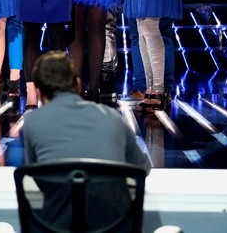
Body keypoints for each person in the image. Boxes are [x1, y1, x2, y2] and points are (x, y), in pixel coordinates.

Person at [23, 50, 151, 230]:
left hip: (56, 227)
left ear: (39, 92)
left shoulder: (32, 122)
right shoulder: (113, 118)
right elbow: (142, 168)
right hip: (115, 227)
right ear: (78, 84)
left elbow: (38, 175)